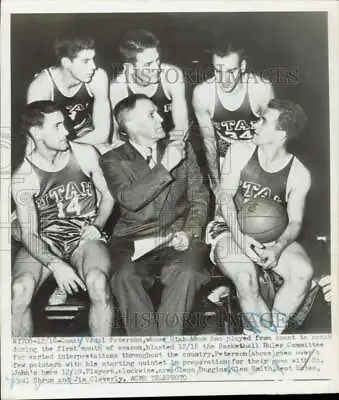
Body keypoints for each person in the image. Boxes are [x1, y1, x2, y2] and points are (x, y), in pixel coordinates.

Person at [100, 94, 209, 336]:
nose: (161, 118)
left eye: (158, 112)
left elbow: (199, 197)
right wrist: (165, 166)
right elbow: (130, 199)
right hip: (132, 240)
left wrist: (190, 232)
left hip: (177, 237)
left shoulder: (184, 149)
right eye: (151, 115)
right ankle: (146, 348)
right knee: (123, 277)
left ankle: (168, 347)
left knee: (187, 273)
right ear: (131, 126)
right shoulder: (112, 160)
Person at [207, 99, 313, 335]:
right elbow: (224, 198)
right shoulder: (239, 150)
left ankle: (265, 335)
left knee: (302, 273)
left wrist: (278, 248)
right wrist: (241, 239)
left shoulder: (299, 174)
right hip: (227, 226)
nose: (254, 125)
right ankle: (266, 339)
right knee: (246, 278)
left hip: (271, 234)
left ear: (282, 133)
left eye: (263, 121)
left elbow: (295, 221)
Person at [11, 101, 115, 337]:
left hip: (83, 237)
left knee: (98, 284)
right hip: (46, 239)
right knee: (20, 290)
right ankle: (21, 367)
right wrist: (56, 265)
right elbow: (29, 234)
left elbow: (108, 194)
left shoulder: (85, 153)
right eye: (57, 126)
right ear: (36, 133)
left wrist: (97, 225)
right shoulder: (24, 177)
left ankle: (104, 361)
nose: (66, 131)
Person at [193, 42, 274, 195]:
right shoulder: (202, 93)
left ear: (242, 66)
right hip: (224, 158)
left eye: (231, 71)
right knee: (224, 208)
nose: (224, 79)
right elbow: (209, 143)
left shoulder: (261, 89)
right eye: (218, 71)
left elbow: (273, 135)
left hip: (256, 155)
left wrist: (267, 175)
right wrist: (216, 186)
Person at [26, 36, 111, 152]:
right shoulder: (40, 87)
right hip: (55, 139)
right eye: (86, 61)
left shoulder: (98, 77)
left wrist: (72, 147)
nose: (93, 66)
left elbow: (102, 133)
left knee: (104, 149)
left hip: (86, 133)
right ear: (66, 62)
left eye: (93, 59)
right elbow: (38, 139)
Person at [109, 29, 189, 144]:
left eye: (157, 60)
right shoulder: (117, 88)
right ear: (129, 67)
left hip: (172, 141)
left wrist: (171, 154)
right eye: (148, 64)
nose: (157, 68)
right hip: (139, 146)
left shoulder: (171, 75)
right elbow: (115, 137)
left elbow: (182, 128)